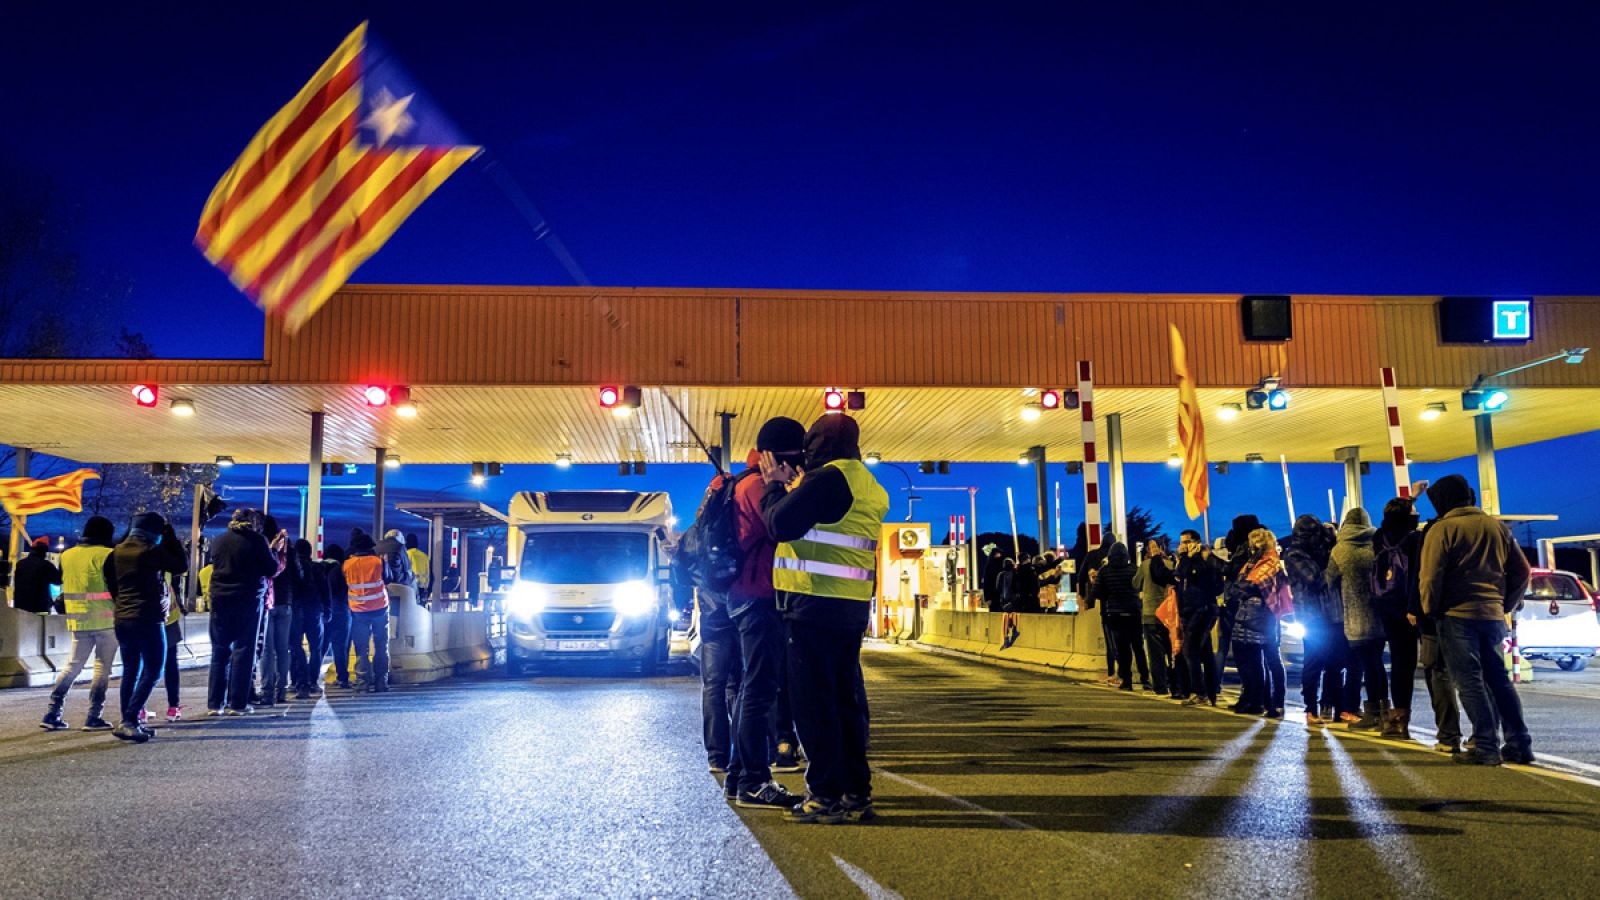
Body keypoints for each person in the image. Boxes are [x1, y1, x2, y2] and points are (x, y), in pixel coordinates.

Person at [760, 413, 888, 825]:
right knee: (844, 702)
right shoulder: (865, 481)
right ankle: (855, 791)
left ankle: (825, 794)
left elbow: (780, 524)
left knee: (813, 705)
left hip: (814, 605)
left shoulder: (829, 479)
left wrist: (775, 486)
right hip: (850, 607)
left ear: (817, 444)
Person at [722, 418, 811, 811]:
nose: (796, 471)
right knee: (759, 691)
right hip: (759, 598)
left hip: (743, 596)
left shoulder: (742, 481)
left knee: (749, 689)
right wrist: (782, 488)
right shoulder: (758, 486)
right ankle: (755, 781)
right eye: (793, 462)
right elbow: (784, 529)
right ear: (776, 457)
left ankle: (738, 775)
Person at [1420, 475, 1533, 766]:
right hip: (1493, 614)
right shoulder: (1497, 527)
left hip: (1457, 615)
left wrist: (1430, 609)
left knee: (1468, 681)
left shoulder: (1443, 529)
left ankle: (1485, 746)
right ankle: (1519, 743)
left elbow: (1431, 576)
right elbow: (1522, 571)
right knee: (1499, 679)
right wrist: (1504, 603)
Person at [104, 513, 187, 743]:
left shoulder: (116, 552)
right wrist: (171, 538)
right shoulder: (151, 551)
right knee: (154, 669)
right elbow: (180, 565)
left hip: (123, 618)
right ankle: (129, 720)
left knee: (131, 670)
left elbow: (111, 582)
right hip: (149, 618)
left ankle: (130, 721)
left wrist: (123, 603)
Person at [43, 516, 118, 731]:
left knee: (72, 666)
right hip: (106, 620)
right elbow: (115, 588)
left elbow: (63, 581)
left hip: (77, 619)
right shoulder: (107, 555)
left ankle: (52, 711)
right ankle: (94, 716)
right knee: (102, 669)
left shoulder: (67, 555)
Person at [206, 509, 282, 716]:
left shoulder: (219, 540)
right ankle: (237, 704)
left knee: (220, 650)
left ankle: (215, 704)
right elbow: (271, 569)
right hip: (248, 599)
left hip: (220, 599)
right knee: (244, 649)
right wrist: (273, 550)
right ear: (253, 523)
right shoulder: (257, 540)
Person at [1281, 514, 1344, 725]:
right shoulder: (1295, 553)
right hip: (1311, 616)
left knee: (1335, 662)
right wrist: (1328, 556)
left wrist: (1332, 540)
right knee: (1313, 662)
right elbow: (1315, 579)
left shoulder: (1324, 548)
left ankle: (1332, 705)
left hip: (1333, 612)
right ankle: (1311, 708)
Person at [1327, 508, 1383, 731]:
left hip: (1353, 618)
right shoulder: (1376, 545)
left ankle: (1364, 711)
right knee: (1377, 666)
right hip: (1379, 616)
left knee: (1358, 666)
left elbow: (1329, 580)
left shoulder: (1340, 550)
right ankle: (1383, 711)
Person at [1372, 498, 1423, 739]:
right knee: (1416, 664)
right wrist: (1414, 607)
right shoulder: (1415, 538)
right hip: (1410, 607)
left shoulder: (1379, 536)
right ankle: (1447, 727)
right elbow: (1417, 575)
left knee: (1399, 663)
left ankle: (1398, 718)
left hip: (1385, 605)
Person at [1229, 527, 1289, 717]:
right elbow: (1238, 584)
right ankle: (1256, 700)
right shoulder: (1251, 563)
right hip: (1247, 616)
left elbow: (1250, 586)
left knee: (1272, 660)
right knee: (1252, 662)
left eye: (1256, 542)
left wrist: (1243, 587)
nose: (1252, 547)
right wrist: (1242, 586)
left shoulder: (1271, 563)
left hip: (1266, 616)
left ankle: (1277, 703)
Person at [1174, 529, 1223, 706]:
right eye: (1181, 542)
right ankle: (1211, 692)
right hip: (1189, 610)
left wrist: (1190, 559)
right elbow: (1179, 575)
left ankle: (1200, 692)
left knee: (1190, 650)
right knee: (1205, 652)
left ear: (1196, 542)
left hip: (1202, 609)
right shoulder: (1186, 561)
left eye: (1186, 542)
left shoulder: (1204, 558)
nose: (1183, 546)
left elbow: (1201, 578)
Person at [1092, 542, 1149, 691]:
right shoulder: (1133, 569)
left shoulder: (1104, 571)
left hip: (1115, 613)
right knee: (1138, 647)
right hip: (1133, 612)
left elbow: (1097, 593)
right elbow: (1140, 586)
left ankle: (1127, 681)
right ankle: (1145, 679)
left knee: (1122, 650)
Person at [345, 530, 394, 692]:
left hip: (358, 611)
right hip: (380, 608)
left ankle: (362, 683)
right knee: (381, 646)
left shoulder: (347, 565)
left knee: (361, 648)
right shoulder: (378, 562)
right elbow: (388, 578)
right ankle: (381, 681)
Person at [258, 516, 298, 707]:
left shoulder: (264, 548)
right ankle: (281, 690)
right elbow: (299, 575)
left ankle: (267, 692)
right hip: (286, 603)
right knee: (283, 648)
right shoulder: (289, 549)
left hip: (268, 602)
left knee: (267, 650)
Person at [1132, 539, 1175, 696]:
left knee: (1155, 655)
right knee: (1171, 651)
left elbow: (1135, 584)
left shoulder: (1145, 566)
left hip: (1150, 614)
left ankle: (1160, 686)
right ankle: (1175, 683)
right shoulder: (1170, 564)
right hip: (1168, 614)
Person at [289, 539, 328, 699]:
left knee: (295, 647)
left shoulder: (293, 568)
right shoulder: (317, 568)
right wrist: (328, 609)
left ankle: (297, 681)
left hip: (297, 611)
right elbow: (326, 590)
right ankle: (312, 681)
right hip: (315, 612)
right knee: (316, 649)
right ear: (310, 552)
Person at [320, 544, 353, 689]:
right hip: (340, 609)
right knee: (340, 645)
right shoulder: (340, 571)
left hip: (322, 609)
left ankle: (311, 677)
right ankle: (342, 677)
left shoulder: (318, 569)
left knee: (320, 645)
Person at [12, 536, 62, 614]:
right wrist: (61, 566)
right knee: (39, 625)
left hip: (20, 607)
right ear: (44, 551)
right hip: (40, 607)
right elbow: (58, 580)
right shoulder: (46, 565)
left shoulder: (20, 564)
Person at [405, 533, 431, 603]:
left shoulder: (407, 555)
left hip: (411, 588)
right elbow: (428, 573)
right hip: (423, 588)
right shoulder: (424, 556)